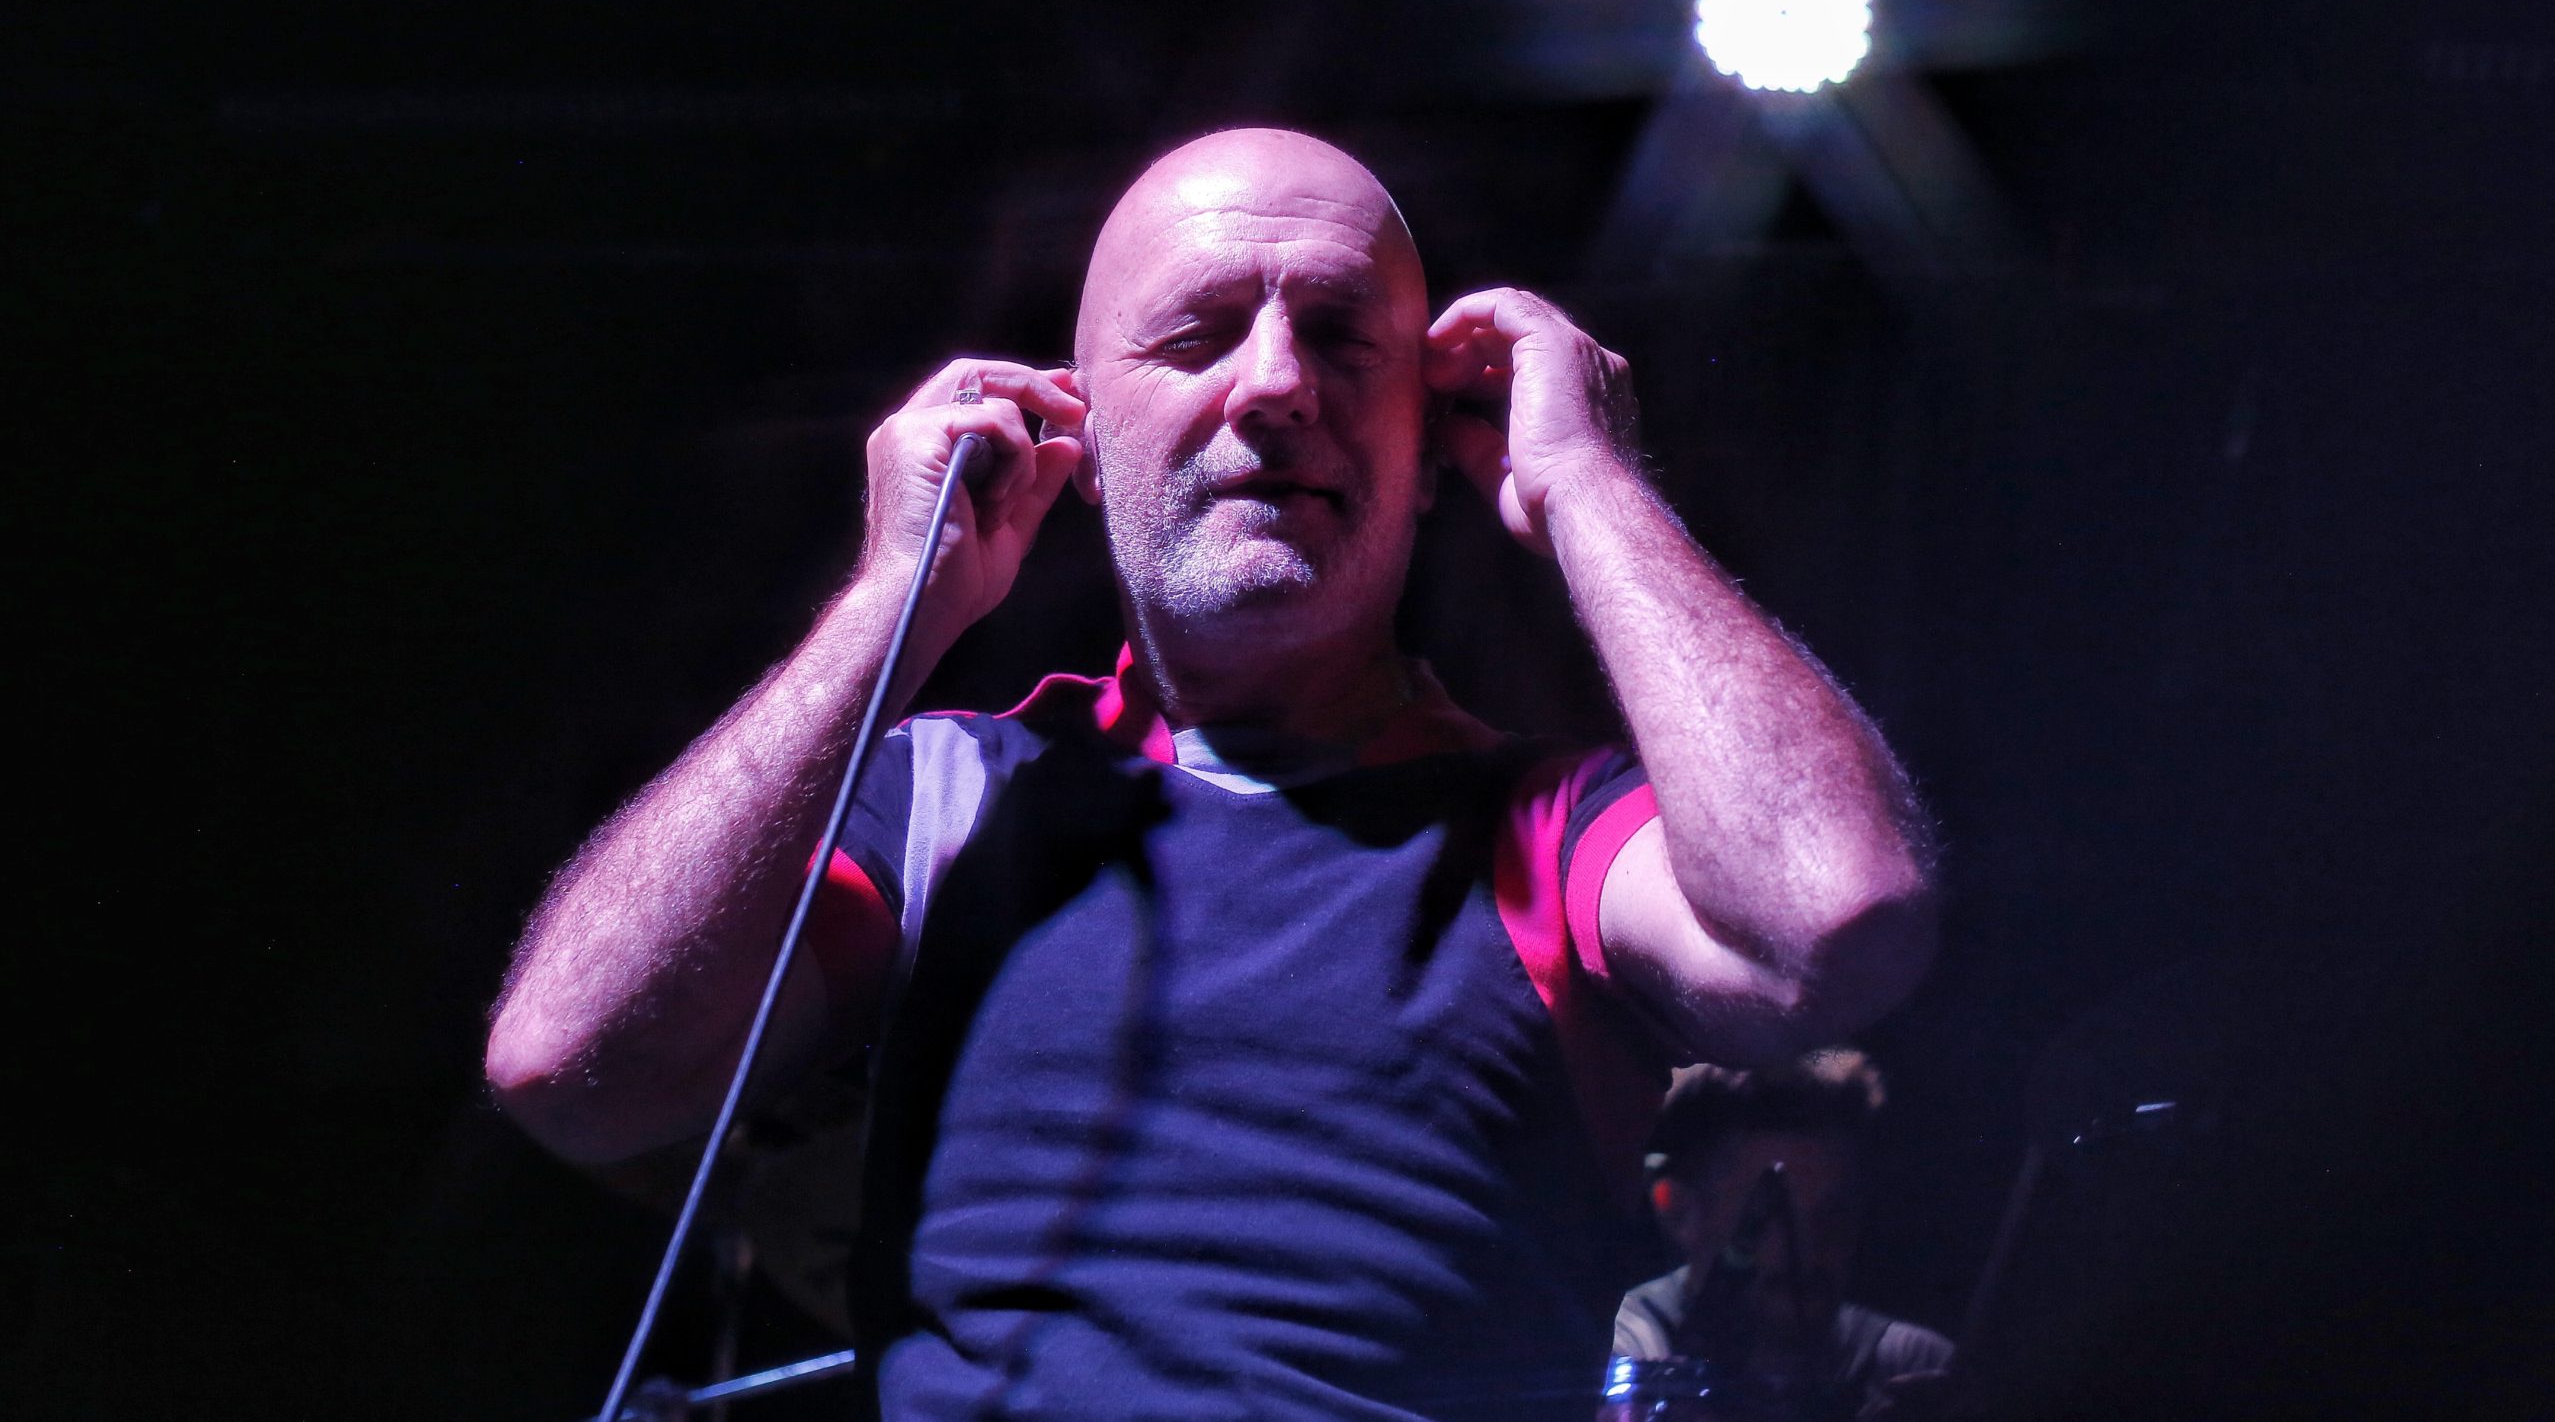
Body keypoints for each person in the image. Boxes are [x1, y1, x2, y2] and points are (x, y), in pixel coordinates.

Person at [484, 128, 1939, 1420]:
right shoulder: (949, 798)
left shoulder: (1548, 830)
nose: (1278, 383)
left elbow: (1836, 922)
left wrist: (1588, 487)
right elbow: (575, 1066)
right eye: (1198, 337)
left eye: (1343, 337)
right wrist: (890, 606)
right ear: (1078, 431)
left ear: (1433, 433)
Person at [1611, 1053, 1957, 1421]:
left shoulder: (1913, 1365)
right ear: (1678, 1210)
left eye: (1832, 1214)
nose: (1807, 1245)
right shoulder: (1623, 1352)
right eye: (1770, 1212)